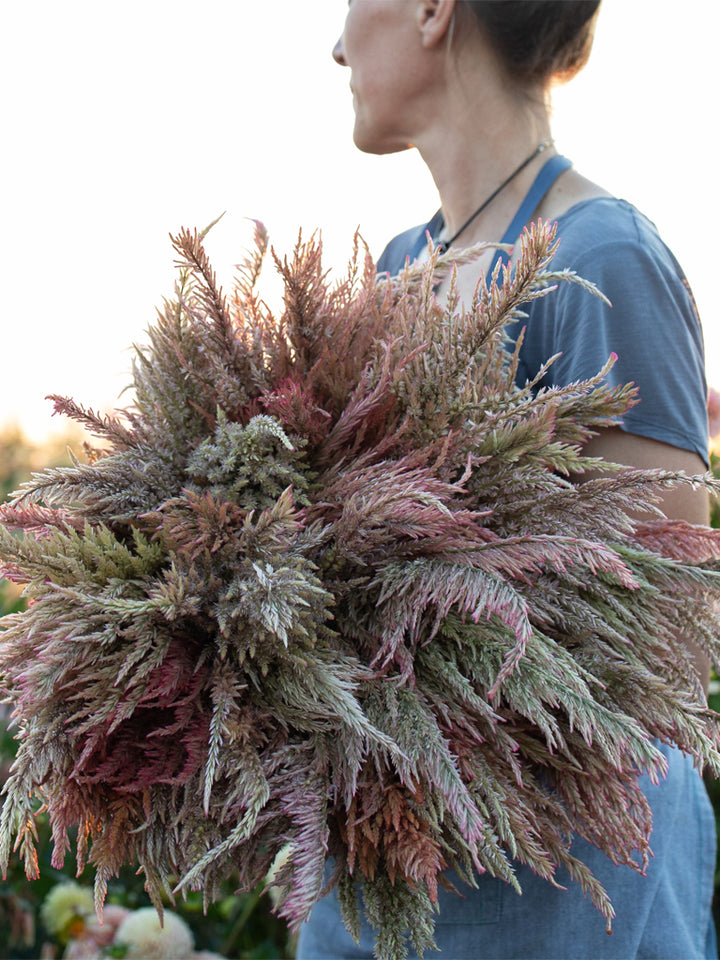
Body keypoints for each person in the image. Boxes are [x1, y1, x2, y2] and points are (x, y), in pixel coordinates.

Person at [296, 2, 716, 957]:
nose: (333, 44)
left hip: (554, 880)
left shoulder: (600, 259)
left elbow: (666, 641)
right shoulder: (401, 267)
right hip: (378, 865)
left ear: (434, 10)